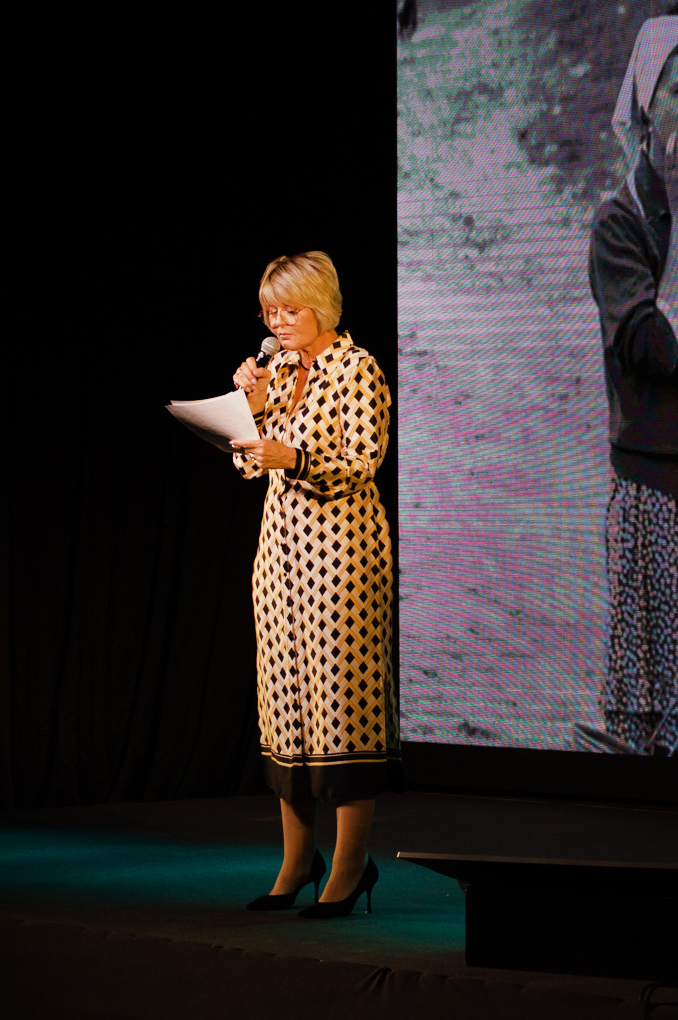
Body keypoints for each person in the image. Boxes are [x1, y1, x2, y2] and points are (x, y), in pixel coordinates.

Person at [228, 252, 398, 915]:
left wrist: (288, 453)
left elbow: (363, 458)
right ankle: (298, 860)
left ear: (320, 307)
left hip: (342, 559)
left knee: (342, 707)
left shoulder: (358, 369)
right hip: (280, 561)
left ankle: (351, 866)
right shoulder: (276, 370)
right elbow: (250, 465)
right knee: (287, 707)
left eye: (289, 309)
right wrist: (251, 409)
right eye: (270, 311)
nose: (278, 321)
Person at [585, 15, 678, 758]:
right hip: (652, 499)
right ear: (645, 106)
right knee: (655, 728)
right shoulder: (619, 225)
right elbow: (662, 350)